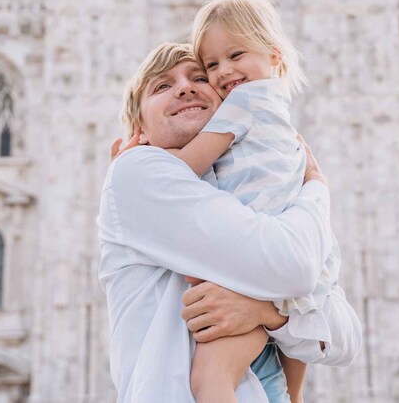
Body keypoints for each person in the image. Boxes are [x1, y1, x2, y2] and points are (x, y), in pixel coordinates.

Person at [98, 42, 361, 403]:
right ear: (138, 128)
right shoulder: (137, 173)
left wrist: (268, 313)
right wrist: (316, 190)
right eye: (162, 87)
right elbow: (297, 268)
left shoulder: (259, 188)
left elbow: (346, 338)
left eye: (199, 78)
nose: (184, 88)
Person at [153, 0, 340, 403]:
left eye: (236, 54)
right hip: (303, 264)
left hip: (254, 266)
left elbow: (183, 168)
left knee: (209, 380)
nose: (224, 72)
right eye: (212, 65)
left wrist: (146, 151)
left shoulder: (240, 104)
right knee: (290, 368)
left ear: (274, 55)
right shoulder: (279, 113)